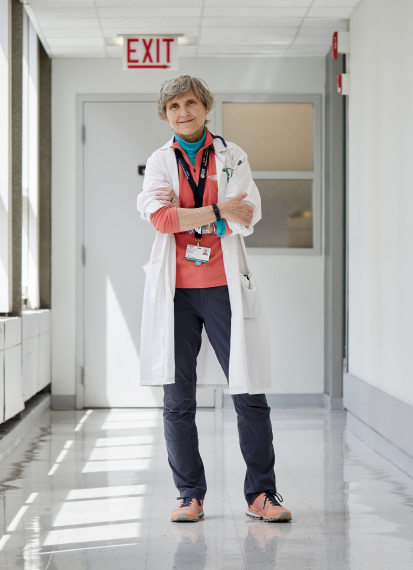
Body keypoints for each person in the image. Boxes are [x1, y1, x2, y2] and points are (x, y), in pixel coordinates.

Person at [136, 75, 291, 523]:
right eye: (173, 107)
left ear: (206, 108)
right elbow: (162, 220)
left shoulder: (232, 155)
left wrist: (199, 217)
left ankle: (262, 494)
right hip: (176, 293)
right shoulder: (160, 160)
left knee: (248, 391)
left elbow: (247, 216)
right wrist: (218, 210)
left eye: (190, 103)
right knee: (178, 398)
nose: (182, 113)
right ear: (165, 115)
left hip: (224, 288)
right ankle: (189, 494)